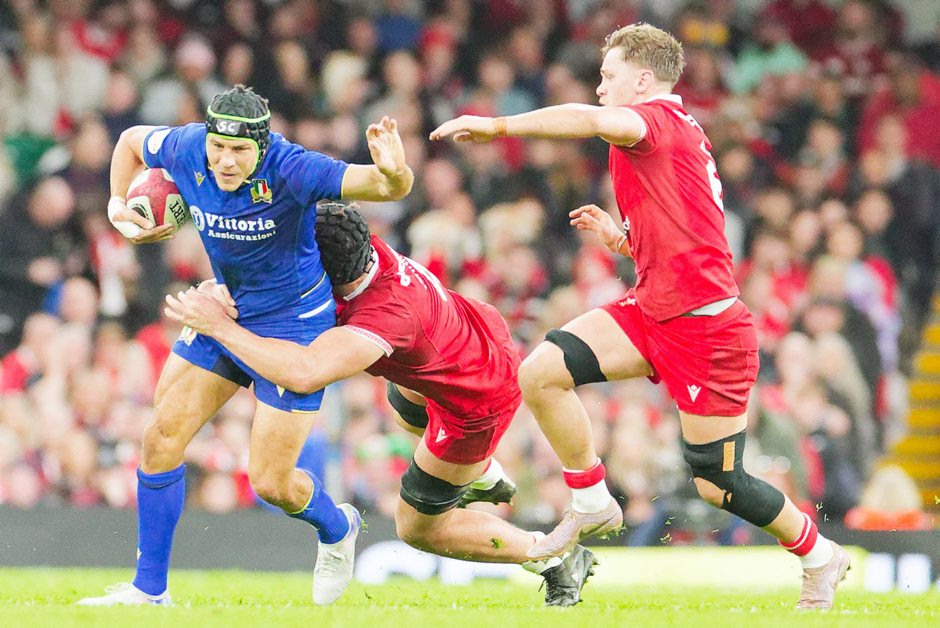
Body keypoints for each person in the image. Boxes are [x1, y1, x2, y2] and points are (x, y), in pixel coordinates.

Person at [430, 23, 851, 610]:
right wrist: (624, 242)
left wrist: (498, 126)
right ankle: (592, 500)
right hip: (654, 308)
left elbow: (587, 119)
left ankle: (820, 554)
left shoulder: (651, 121)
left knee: (718, 483)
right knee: (542, 371)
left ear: (644, 81)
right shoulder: (671, 132)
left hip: (707, 332)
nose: (601, 87)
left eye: (609, 76)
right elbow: (689, 232)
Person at [163, 201, 597, 607]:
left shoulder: (380, 318)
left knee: (418, 528)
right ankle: (481, 474)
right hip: (470, 333)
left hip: (476, 399)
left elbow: (303, 372)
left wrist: (220, 327)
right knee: (403, 404)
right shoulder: (352, 243)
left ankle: (553, 556)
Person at [78, 85, 414, 607]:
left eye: (239, 150)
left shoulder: (293, 167)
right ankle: (150, 590)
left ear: (262, 144)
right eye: (218, 147)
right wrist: (119, 207)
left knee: (271, 482)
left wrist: (396, 170)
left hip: (294, 328)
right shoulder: (186, 146)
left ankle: (337, 526)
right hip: (227, 308)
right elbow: (127, 142)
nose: (225, 161)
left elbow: (385, 186)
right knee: (161, 435)